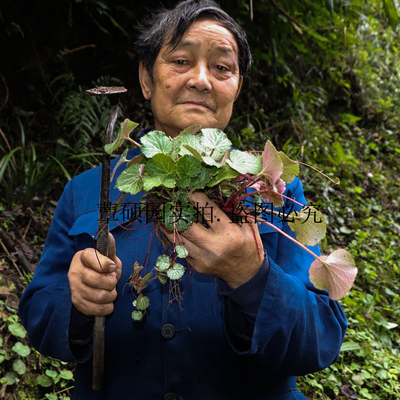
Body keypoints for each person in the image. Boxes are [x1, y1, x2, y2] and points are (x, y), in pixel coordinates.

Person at [19, 1, 347, 399]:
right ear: (146, 79)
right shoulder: (89, 190)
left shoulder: (277, 194)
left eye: (222, 67)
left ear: (237, 87)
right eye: (180, 60)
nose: (202, 80)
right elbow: (37, 314)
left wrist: (252, 277)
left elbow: (321, 339)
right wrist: (76, 301)